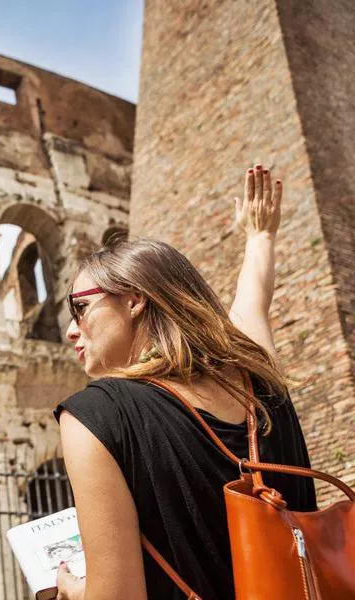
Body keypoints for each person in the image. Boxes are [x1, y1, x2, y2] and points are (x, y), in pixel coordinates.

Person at [54, 166, 316, 600]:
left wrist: (74, 591)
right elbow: (254, 298)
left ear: (135, 300)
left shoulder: (94, 417)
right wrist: (260, 236)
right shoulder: (258, 376)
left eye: (79, 307)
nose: (71, 329)